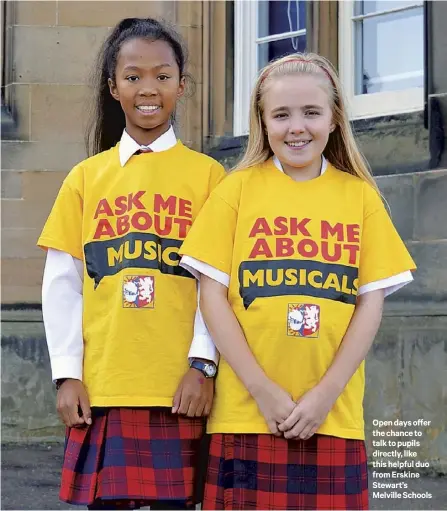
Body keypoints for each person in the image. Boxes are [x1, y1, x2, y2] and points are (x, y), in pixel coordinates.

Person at [179, 53, 416, 510]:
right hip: (246, 416)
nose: (297, 127)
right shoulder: (237, 190)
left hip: (331, 417)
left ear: (334, 119)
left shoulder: (360, 198)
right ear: (263, 122)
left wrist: (324, 395)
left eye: (311, 112)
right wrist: (263, 391)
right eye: (281, 115)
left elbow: (370, 305)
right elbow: (212, 297)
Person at [37, 17, 224, 510]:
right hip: (105, 384)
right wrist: (67, 374)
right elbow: (62, 283)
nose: (149, 89)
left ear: (181, 86)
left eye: (163, 77)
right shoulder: (84, 178)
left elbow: (217, 285)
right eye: (134, 76)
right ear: (113, 87)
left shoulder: (209, 177)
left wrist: (202, 366)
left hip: (179, 385)